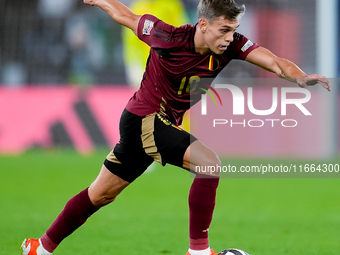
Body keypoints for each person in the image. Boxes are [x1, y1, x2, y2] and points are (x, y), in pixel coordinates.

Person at [21, 0, 331, 255]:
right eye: (224, 30)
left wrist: (301, 77)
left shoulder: (232, 46)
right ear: (204, 24)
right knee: (209, 164)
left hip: (152, 124)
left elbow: (276, 62)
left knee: (99, 195)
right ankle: (198, 251)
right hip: (143, 118)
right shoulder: (166, 36)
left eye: (233, 30)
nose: (229, 37)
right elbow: (126, 15)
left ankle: (40, 248)